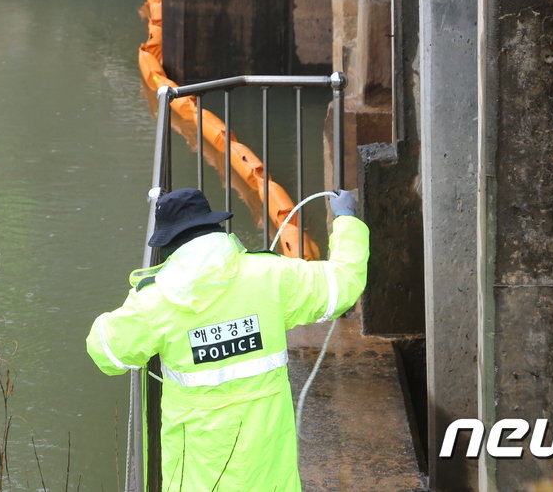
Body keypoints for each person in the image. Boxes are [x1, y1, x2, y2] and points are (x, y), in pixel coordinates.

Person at [85, 187, 368, 492]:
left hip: (199, 469)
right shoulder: (270, 275)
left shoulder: (158, 301)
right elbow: (343, 285)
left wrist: (137, 298)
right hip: (269, 459)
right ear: (216, 228)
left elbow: (106, 352)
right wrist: (346, 219)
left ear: (169, 246)